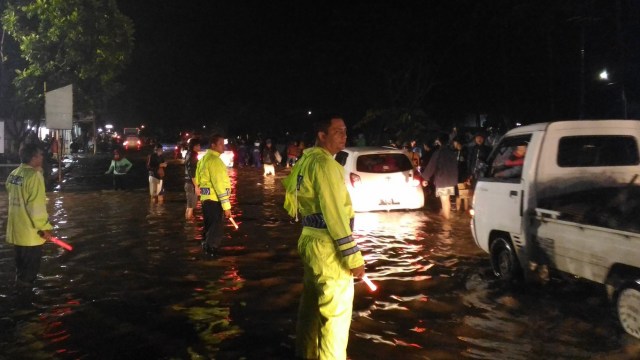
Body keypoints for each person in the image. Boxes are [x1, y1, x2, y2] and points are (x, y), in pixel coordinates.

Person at [283, 115, 366, 360]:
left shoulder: (304, 161)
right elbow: (336, 216)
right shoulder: (325, 165)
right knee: (336, 319)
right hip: (328, 247)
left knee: (310, 310)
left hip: (309, 240)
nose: (344, 135)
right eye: (337, 131)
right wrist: (353, 258)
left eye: (345, 131)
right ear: (322, 135)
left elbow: (290, 201)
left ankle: (305, 354)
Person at [5, 143, 54, 287]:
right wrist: (45, 228)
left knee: (20, 270)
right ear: (34, 157)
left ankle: (18, 297)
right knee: (29, 275)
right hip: (31, 235)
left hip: (17, 233)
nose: (42, 157)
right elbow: (36, 207)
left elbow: (15, 194)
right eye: (40, 155)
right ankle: (26, 304)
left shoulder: (14, 174)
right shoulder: (34, 176)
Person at [195, 134, 232, 256]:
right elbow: (219, 185)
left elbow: (198, 180)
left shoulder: (204, 159)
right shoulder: (215, 161)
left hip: (206, 200)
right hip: (215, 201)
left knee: (208, 229)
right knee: (215, 231)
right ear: (213, 145)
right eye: (221, 144)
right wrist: (227, 207)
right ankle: (211, 256)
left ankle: (205, 252)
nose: (224, 146)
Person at [421, 134, 458, 219]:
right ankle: (446, 217)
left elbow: (431, 166)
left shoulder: (438, 153)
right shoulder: (452, 152)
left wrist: (425, 178)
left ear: (439, 141)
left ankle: (446, 220)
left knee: (444, 200)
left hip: (442, 180)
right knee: (447, 200)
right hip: (451, 180)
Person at [184, 138, 201, 220]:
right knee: (191, 207)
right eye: (198, 145)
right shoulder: (193, 155)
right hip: (191, 184)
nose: (200, 147)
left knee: (189, 206)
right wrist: (196, 186)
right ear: (194, 146)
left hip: (187, 183)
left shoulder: (188, 154)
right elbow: (192, 172)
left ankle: (188, 225)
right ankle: (190, 227)